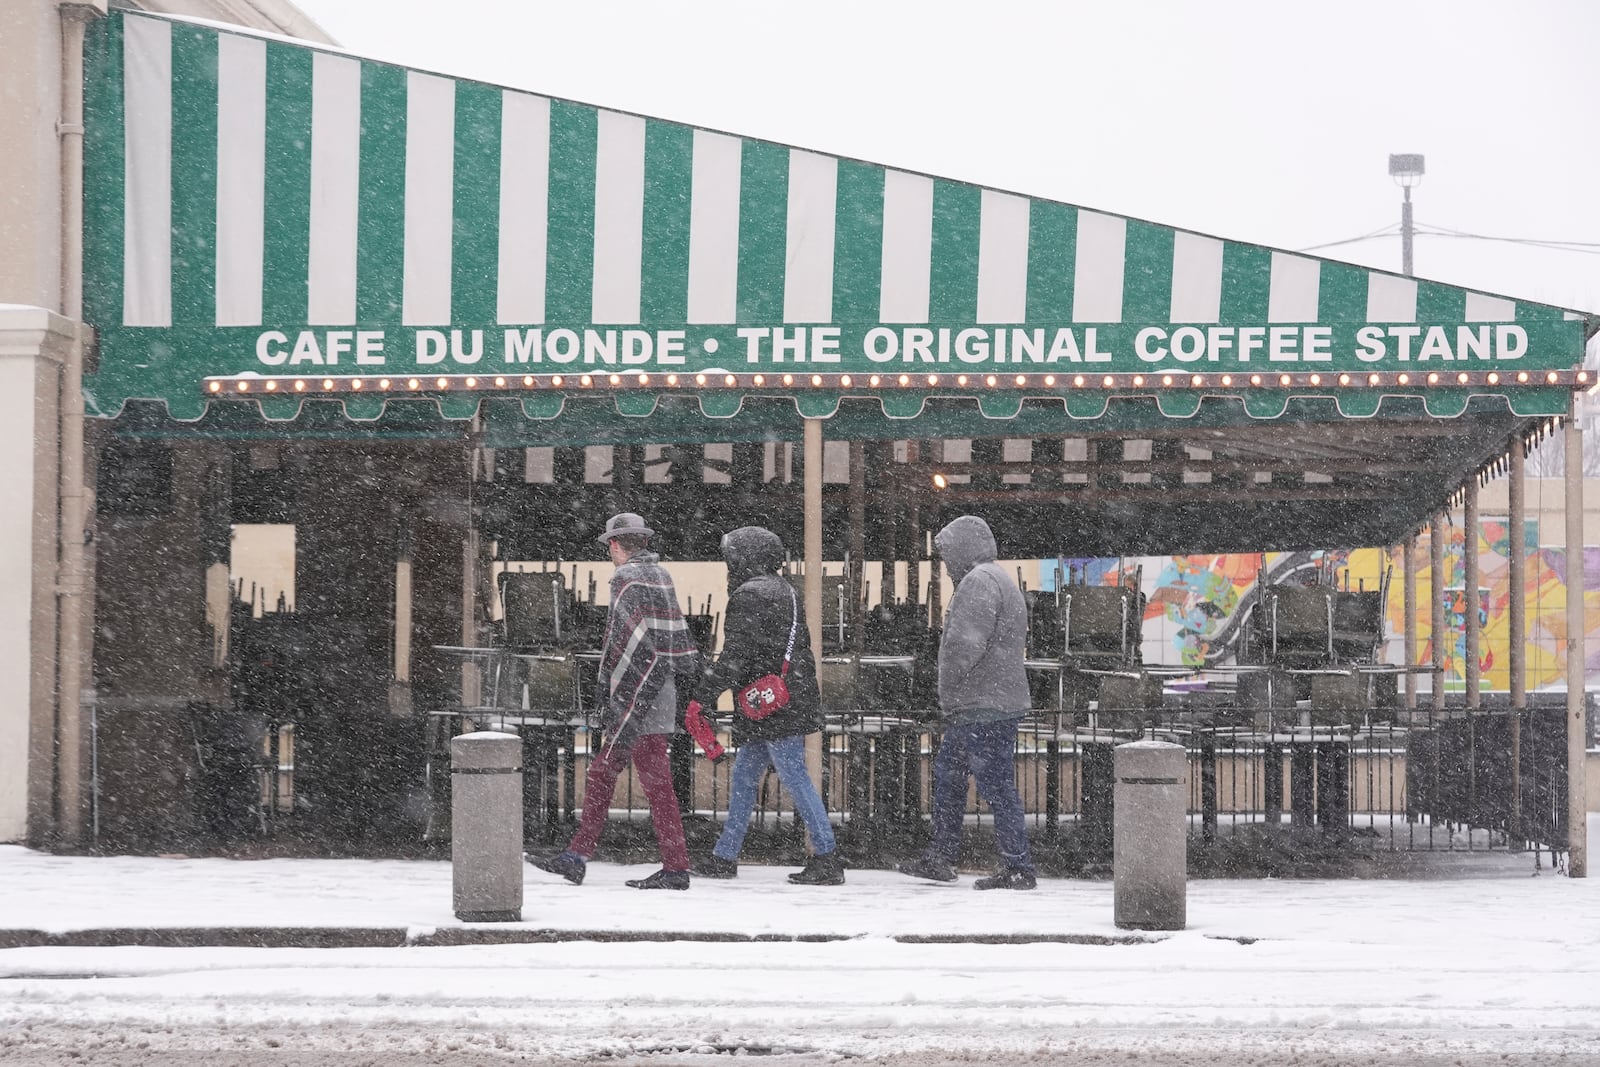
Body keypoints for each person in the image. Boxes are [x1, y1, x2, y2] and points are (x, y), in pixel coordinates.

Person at [530, 513, 700, 890]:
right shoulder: (662, 575)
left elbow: (620, 639)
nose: (609, 550)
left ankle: (674, 868)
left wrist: (609, 683)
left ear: (615, 543)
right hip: (662, 689)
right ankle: (577, 856)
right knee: (611, 774)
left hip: (639, 695)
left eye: (609, 544)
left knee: (646, 782)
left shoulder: (625, 578)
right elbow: (667, 638)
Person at [682, 526, 844, 886]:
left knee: (794, 775)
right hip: (783, 697)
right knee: (744, 776)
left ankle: (828, 856)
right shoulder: (786, 591)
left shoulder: (748, 595)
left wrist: (703, 694)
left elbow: (735, 658)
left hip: (768, 705)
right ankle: (725, 855)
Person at [898, 515, 1037, 891]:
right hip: (984, 704)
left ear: (962, 551)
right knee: (952, 779)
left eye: (946, 558)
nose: (945, 567)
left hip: (981, 706)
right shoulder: (998, 578)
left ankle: (1017, 866)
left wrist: (944, 685)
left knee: (992, 785)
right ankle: (941, 856)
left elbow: (963, 646)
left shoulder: (978, 582)